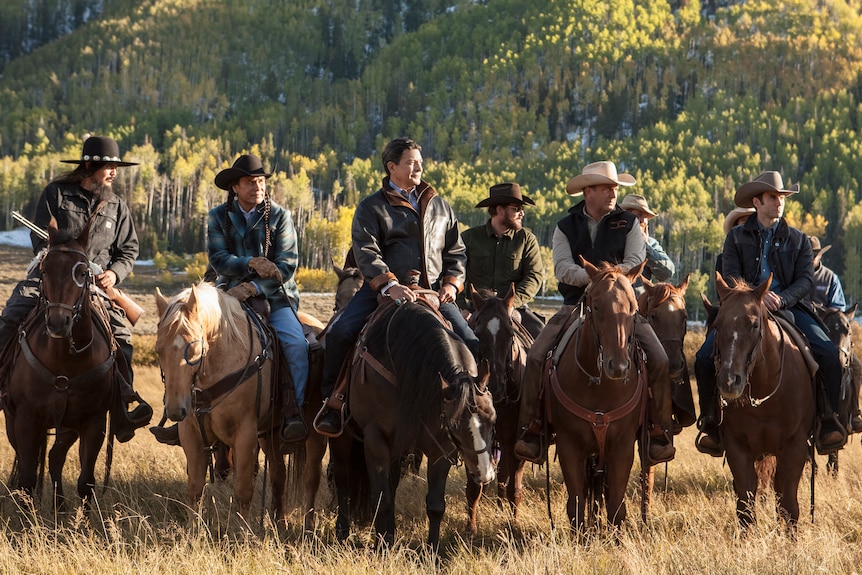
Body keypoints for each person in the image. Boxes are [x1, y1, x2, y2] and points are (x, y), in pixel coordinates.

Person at [314, 137, 479, 436]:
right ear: (392, 167)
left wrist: (452, 285)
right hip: (383, 290)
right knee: (340, 333)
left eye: (420, 161)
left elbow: (456, 252)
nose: (418, 166)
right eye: (410, 162)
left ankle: (474, 412)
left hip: (433, 293)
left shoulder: (441, 207)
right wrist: (389, 284)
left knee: (471, 342)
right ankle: (333, 402)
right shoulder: (371, 207)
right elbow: (366, 251)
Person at [513, 161, 675, 464]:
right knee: (536, 357)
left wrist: (604, 284)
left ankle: (658, 430)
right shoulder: (565, 226)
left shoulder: (628, 223)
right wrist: (596, 283)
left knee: (661, 358)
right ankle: (532, 428)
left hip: (623, 309)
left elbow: (635, 261)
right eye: (607, 187)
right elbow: (562, 268)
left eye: (615, 188)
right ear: (588, 191)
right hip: (574, 305)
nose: (614, 192)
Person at [0, 135, 152, 442]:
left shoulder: (117, 206)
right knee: (12, 314)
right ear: (89, 165)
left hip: (97, 285)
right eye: (109, 166)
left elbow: (129, 251)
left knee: (122, 333)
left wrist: (113, 273)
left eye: (115, 167)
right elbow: (40, 239)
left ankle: (123, 405)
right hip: (54, 277)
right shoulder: (55, 193)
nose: (114, 172)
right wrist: (63, 259)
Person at [153, 154, 310, 445]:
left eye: (261, 181)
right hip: (224, 297)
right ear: (235, 188)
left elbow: (286, 266)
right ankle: (189, 417)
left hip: (274, 296)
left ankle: (293, 411)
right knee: (196, 348)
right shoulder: (217, 216)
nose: (258, 187)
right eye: (250, 182)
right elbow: (219, 260)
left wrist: (252, 288)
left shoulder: (280, 217)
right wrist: (251, 263)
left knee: (296, 345)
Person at [695, 171, 845, 455]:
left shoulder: (798, 240)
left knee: (828, 354)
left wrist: (781, 299)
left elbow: (805, 281)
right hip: (744, 309)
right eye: (773, 198)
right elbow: (730, 275)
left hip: (789, 308)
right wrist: (754, 299)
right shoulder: (736, 238)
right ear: (757, 202)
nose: (779, 203)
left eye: (782, 198)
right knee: (703, 358)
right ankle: (711, 423)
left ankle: (828, 420)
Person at [458, 182, 545, 337]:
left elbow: (534, 276)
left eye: (522, 209)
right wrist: (461, 307)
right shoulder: (469, 238)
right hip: (475, 308)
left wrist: (512, 303)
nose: (522, 214)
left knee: (542, 341)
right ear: (499, 210)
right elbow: (454, 273)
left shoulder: (527, 240)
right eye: (516, 209)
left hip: (515, 307)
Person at [618, 193, 674, 293]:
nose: (642, 220)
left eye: (645, 217)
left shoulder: (651, 244)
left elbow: (667, 273)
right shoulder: (611, 240)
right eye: (638, 215)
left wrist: (645, 247)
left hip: (641, 306)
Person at [809, 236, 846, 311]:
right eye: (807, 255)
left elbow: (838, 306)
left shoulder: (830, 277)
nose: (810, 258)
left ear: (820, 255)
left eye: (814, 255)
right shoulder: (793, 274)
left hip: (823, 319)